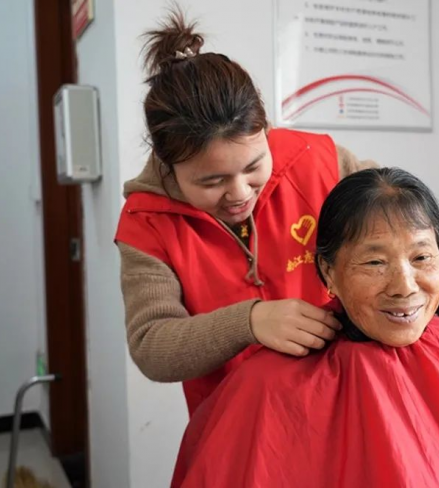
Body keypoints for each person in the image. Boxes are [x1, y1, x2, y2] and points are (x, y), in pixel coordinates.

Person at [172, 168, 439, 488]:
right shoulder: (268, 386)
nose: (405, 286)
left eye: (422, 257)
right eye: (375, 263)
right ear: (328, 271)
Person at [114, 9, 375, 414]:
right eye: (211, 181)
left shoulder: (316, 161)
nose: (239, 193)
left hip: (344, 401)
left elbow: (393, 209)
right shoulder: (146, 223)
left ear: (265, 131)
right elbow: (152, 345)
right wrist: (249, 323)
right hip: (240, 424)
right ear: (169, 166)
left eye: (254, 167)